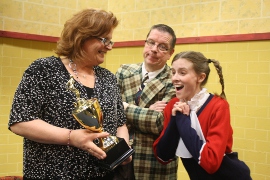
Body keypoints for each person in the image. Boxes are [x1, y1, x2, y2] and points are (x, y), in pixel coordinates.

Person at [8, 8, 132, 180]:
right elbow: (20, 121)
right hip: (53, 174)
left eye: (111, 41)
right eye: (105, 40)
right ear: (82, 37)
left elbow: (120, 123)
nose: (109, 47)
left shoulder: (108, 78)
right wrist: (71, 137)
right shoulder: (44, 69)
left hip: (103, 174)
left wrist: (122, 150)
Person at [153, 51, 252, 179]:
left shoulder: (218, 106)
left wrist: (183, 120)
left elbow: (211, 163)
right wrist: (175, 119)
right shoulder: (173, 105)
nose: (175, 78)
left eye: (182, 73)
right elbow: (163, 156)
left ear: (201, 77)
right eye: (173, 72)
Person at [115, 24, 177, 179]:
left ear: (170, 53)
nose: (154, 49)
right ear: (145, 43)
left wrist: (124, 106)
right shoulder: (124, 71)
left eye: (162, 46)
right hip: (120, 156)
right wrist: (148, 111)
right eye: (151, 42)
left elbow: (160, 122)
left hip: (154, 163)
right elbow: (109, 110)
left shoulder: (175, 79)